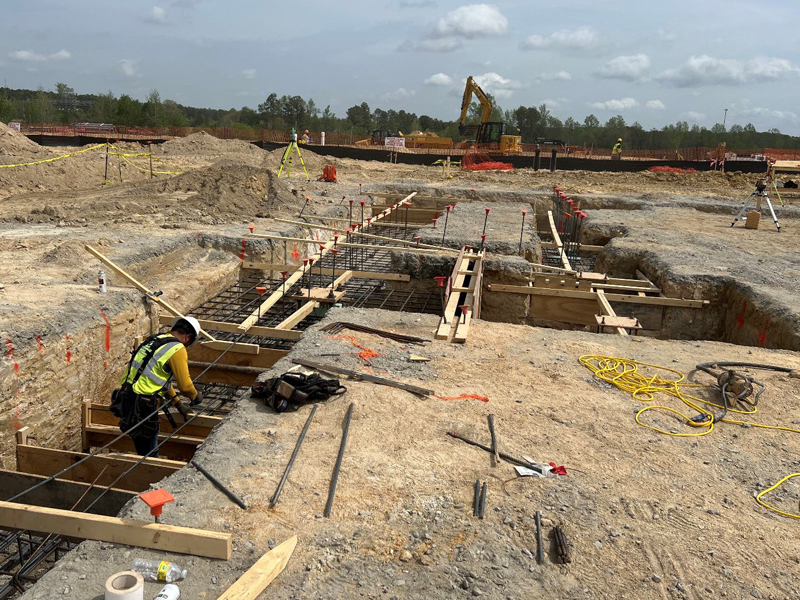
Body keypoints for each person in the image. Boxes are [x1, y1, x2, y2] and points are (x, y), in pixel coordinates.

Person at [113, 317, 202, 457]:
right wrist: (195, 396)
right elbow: (185, 386)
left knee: (141, 443)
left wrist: (178, 404)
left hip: (126, 396)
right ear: (188, 337)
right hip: (143, 404)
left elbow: (158, 379)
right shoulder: (177, 349)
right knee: (149, 452)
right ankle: (149, 474)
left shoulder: (154, 340)